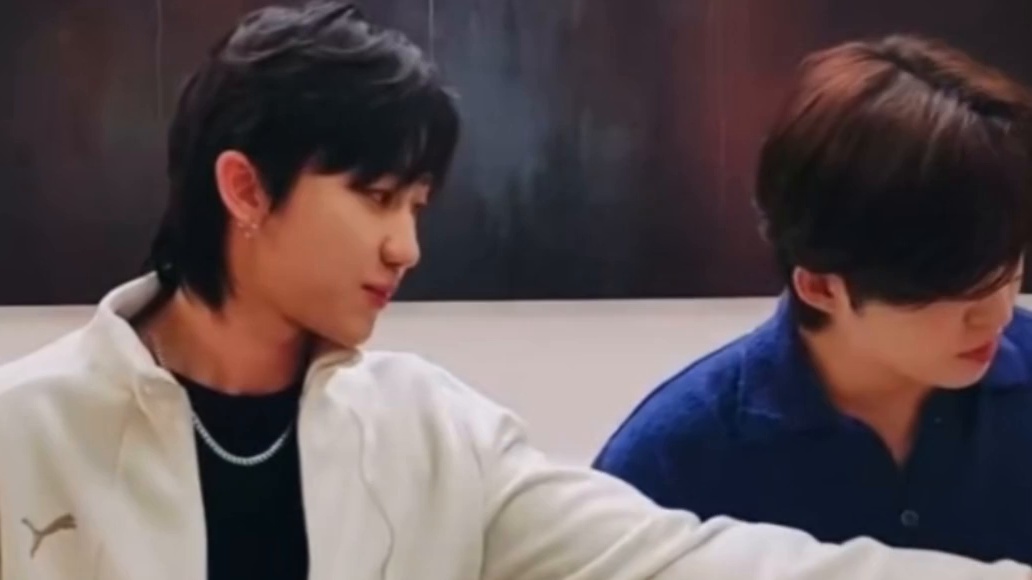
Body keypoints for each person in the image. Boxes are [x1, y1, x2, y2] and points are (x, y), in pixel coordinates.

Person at [0, 5, 1030, 577]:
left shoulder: (434, 431)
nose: (406, 246)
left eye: (418, 205)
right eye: (375, 197)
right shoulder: (26, 431)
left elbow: (693, 559)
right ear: (244, 189)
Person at [594, 33, 1032, 566]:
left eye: (1007, 267)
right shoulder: (674, 460)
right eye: (954, 290)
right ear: (821, 287)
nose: (998, 314)